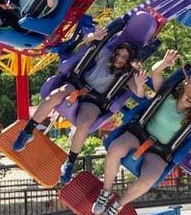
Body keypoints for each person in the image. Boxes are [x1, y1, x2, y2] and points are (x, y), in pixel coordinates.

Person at [96, 50, 191, 215]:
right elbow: (155, 72)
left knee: (149, 179)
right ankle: (105, 191)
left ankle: (118, 205)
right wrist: (165, 62)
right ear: (184, 88)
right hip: (140, 134)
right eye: (189, 95)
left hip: (160, 151)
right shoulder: (167, 95)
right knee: (115, 149)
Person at [13, 26, 147, 184]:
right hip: (78, 86)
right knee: (54, 96)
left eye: (124, 57)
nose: (119, 59)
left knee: (84, 123)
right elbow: (87, 41)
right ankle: (28, 131)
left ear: (129, 60)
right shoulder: (105, 54)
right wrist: (93, 35)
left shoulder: (128, 74)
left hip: (94, 100)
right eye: (118, 54)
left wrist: (139, 83)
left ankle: (70, 162)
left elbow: (140, 94)